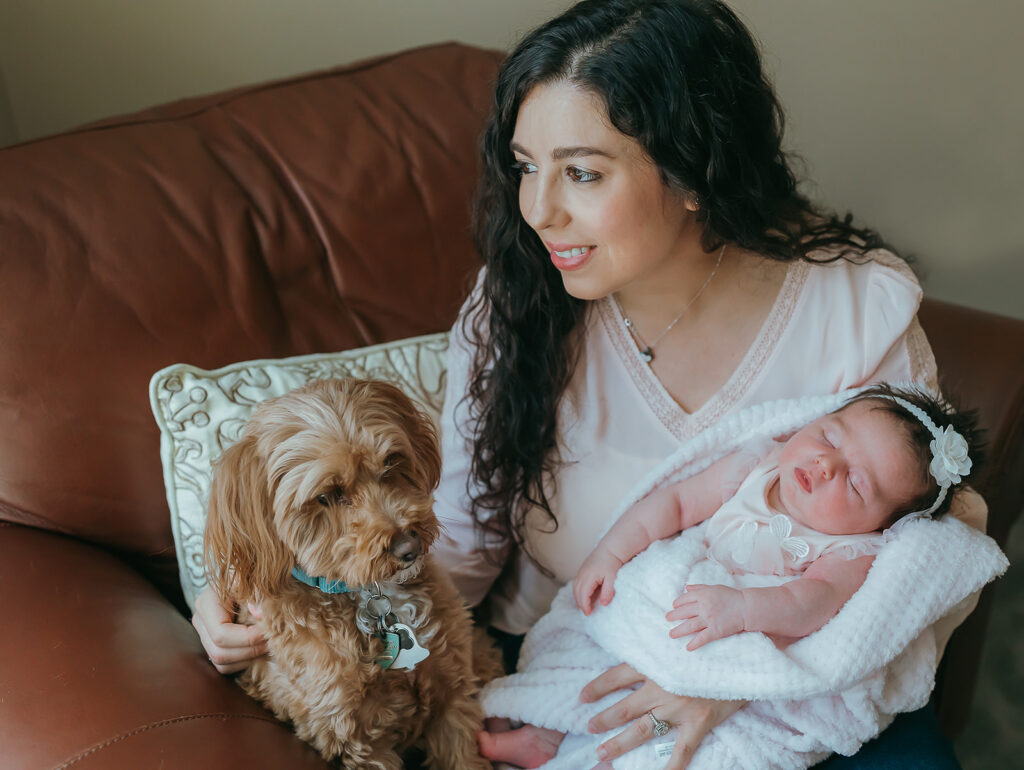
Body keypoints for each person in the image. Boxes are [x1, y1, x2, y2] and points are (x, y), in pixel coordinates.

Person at [191, 1, 984, 767]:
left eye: (581, 173)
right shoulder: (516, 309)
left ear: (692, 168)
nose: (538, 210)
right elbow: (456, 540)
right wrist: (253, 593)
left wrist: (740, 688)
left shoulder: (853, 311)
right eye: (527, 168)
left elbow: (926, 564)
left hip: (802, 681)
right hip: (575, 664)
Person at [477, 384, 981, 769]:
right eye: (829, 435)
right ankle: (551, 730)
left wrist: (741, 610)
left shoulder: (852, 551)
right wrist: (610, 554)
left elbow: (815, 600)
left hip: (735, 647)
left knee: (683, 753)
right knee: (588, 652)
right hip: (667, 605)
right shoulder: (754, 467)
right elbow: (674, 504)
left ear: (883, 525)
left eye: (855, 482)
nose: (826, 464)